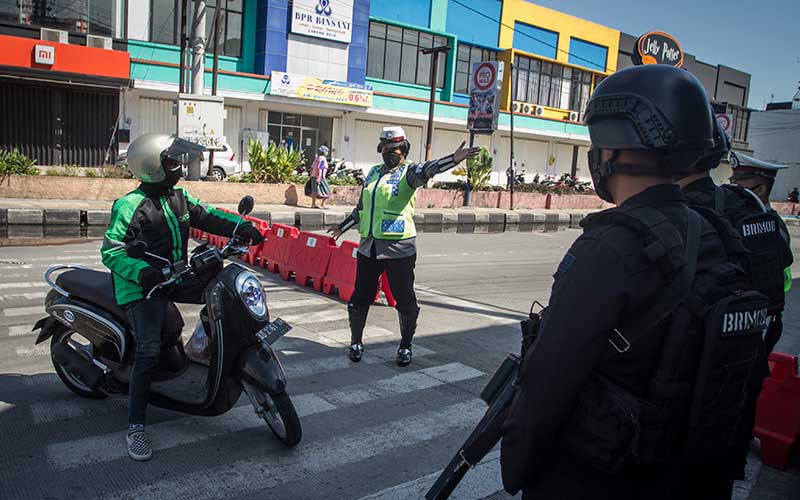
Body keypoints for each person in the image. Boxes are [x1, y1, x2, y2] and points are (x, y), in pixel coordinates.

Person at [501, 65, 759, 500]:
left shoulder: (611, 245)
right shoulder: (717, 234)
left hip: (600, 477)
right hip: (684, 475)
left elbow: (548, 380)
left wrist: (519, 468)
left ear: (612, 151)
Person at [101, 134, 264, 462]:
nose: (179, 167)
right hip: (142, 286)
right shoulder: (129, 206)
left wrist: (241, 227)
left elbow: (209, 216)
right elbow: (112, 251)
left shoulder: (179, 196)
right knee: (147, 352)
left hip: (174, 275)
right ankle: (136, 426)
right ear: (151, 167)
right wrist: (141, 271)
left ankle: (205, 349)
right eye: (171, 162)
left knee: (223, 293)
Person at [676, 115, 794, 486]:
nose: (735, 184)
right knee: (737, 407)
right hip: (754, 332)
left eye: (742, 181)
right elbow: (783, 269)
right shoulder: (762, 219)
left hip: (708, 345)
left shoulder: (696, 211)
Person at [327, 126, 479, 366]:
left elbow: (428, 169)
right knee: (360, 297)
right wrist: (342, 226)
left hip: (399, 248)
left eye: (394, 149)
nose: (389, 153)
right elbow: (362, 208)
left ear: (403, 149)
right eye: (385, 149)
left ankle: (405, 346)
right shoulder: (374, 172)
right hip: (370, 247)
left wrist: (453, 159)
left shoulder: (409, 172)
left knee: (404, 299)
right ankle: (356, 342)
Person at [728, 152, 794, 352]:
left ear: (761, 188)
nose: (731, 190)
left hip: (755, 313)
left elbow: (780, 277)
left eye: (738, 185)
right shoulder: (737, 215)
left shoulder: (772, 226)